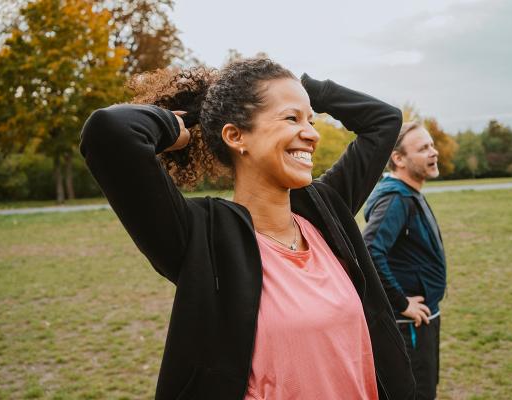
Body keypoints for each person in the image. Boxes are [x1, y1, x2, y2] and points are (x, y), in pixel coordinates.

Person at [80, 58, 415, 399]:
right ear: (236, 136)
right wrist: (185, 119)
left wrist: (303, 88)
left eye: (311, 119)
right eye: (292, 118)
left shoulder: (325, 210)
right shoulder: (201, 237)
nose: (312, 134)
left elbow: (384, 121)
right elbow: (109, 132)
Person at [362, 121, 447, 400]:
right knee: (416, 393)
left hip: (423, 317)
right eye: (423, 148)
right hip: (408, 322)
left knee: (425, 388)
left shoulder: (409, 193)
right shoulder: (396, 198)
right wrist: (402, 303)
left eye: (432, 145)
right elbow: (371, 251)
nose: (433, 152)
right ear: (398, 159)